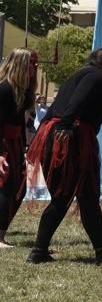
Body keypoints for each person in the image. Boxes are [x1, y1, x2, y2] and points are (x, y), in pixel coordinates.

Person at [26, 47, 102, 264]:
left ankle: (98, 250)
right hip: (71, 137)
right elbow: (78, 100)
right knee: (73, 195)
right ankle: (43, 251)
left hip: (59, 133)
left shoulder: (82, 73)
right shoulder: (97, 76)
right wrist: (66, 125)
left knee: (80, 196)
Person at [0, 48, 38, 248]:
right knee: (6, 188)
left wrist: (25, 147)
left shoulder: (21, 92)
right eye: (31, 63)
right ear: (20, 65)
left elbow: (21, 125)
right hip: (4, 144)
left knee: (18, 189)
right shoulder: (4, 89)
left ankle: (2, 232)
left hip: (14, 145)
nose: (35, 67)